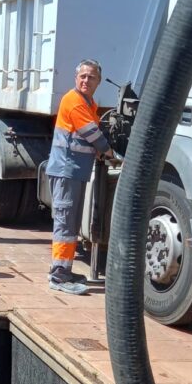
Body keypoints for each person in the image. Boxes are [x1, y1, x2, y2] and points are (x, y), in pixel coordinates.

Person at [45, 59, 111, 295]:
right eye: (82, 76)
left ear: (98, 81)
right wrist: (110, 152)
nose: (86, 80)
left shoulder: (89, 103)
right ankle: (58, 277)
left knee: (70, 224)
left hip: (74, 171)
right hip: (66, 171)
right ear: (76, 79)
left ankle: (64, 269)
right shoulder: (74, 102)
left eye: (91, 77)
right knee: (65, 223)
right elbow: (93, 134)